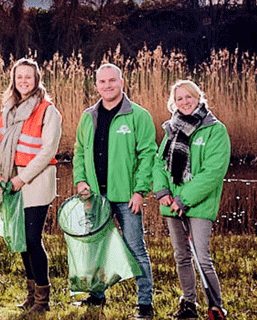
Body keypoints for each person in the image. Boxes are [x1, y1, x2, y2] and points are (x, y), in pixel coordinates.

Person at [72, 63, 157, 318]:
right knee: (95, 247)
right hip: (95, 197)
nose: (107, 85)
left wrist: (140, 191)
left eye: (112, 80)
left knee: (135, 248)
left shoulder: (138, 116)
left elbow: (147, 155)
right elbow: (78, 151)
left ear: (122, 82)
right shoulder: (88, 116)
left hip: (126, 198)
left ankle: (145, 304)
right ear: (96, 85)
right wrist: (81, 182)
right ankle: (96, 296)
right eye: (102, 82)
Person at [153, 80, 230, 320]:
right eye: (179, 99)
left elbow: (213, 172)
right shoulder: (172, 129)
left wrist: (183, 199)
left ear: (198, 98)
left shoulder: (215, 130)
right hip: (172, 205)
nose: (185, 102)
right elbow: (159, 163)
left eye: (189, 97)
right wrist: (163, 192)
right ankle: (188, 304)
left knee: (202, 257)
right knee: (181, 256)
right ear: (173, 103)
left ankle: (215, 306)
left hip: (198, 204)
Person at [0, 58, 62, 313]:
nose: (23, 81)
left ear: (36, 80)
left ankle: (43, 299)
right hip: (11, 180)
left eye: (28, 77)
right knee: (21, 239)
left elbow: (48, 151)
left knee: (33, 239)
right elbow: (2, 148)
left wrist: (22, 179)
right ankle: (31, 295)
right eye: (19, 77)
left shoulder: (47, 110)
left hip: (34, 181)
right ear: (13, 80)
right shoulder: (8, 109)